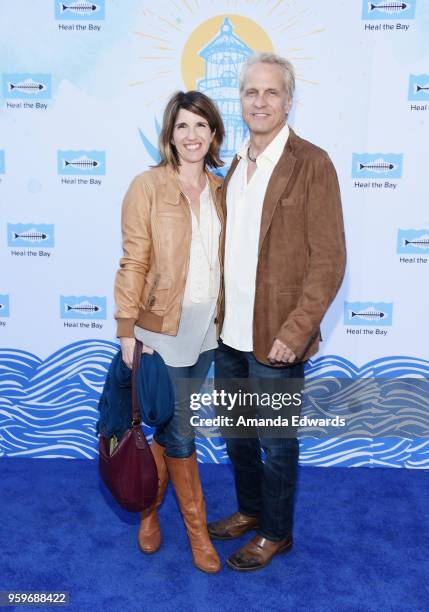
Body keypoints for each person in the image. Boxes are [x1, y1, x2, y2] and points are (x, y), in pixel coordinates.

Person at [208, 53, 346, 571]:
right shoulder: (235, 166)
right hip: (231, 335)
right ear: (240, 100)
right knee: (238, 434)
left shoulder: (313, 163)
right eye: (251, 93)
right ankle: (249, 510)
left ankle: (276, 532)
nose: (260, 102)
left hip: (278, 337)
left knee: (276, 441)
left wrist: (298, 330)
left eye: (271, 93)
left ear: (288, 101)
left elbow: (329, 261)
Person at [114, 90, 225, 573]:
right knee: (181, 432)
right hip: (160, 332)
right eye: (183, 126)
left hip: (207, 333)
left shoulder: (224, 189)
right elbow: (134, 260)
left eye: (201, 125)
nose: (192, 135)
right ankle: (198, 535)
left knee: (165, 426)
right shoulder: (148, 186)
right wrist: (125, 329)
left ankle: (146, 510)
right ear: (170, 135)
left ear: (214, 133)